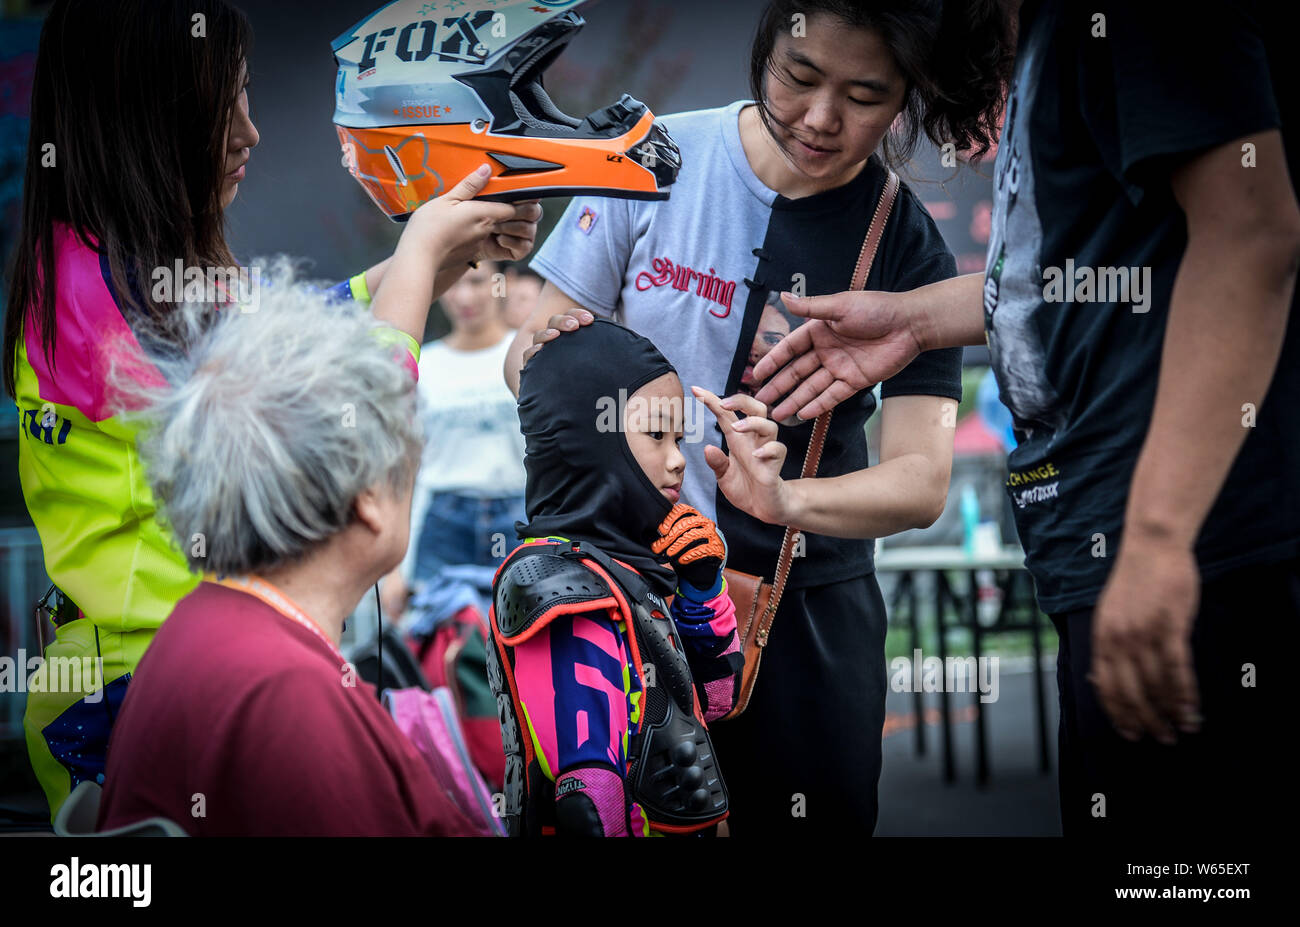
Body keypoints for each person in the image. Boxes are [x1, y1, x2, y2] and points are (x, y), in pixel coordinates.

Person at [754, 2, 1299, 836]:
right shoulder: (1053, 38)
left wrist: (1156, 540)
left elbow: (1251, 234)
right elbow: (1088, 273)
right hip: (1096, 538)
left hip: (1193, 549)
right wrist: (912, 320)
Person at [3, 0, 540, 820]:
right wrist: (424, 251)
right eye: (229, 99)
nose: (251, 132)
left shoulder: (108, 268)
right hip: (135, 702)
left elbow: (300, 328)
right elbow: (334, 417)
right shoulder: (101, 297)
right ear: (153, 109)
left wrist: (435, 254)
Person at [507, 0, 1013, 833]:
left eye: (865, 95)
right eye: (800, 77)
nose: (820, 119)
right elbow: (529, 358)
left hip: (805, 626)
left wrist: (786, 503)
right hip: (622, 607)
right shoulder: (652, 158)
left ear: (907, 101)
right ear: (764, 49)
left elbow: (921, 482)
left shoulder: (908, 245)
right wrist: (554, 360)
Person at [96, 182, 503, 835]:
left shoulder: (211, 625)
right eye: (407, 448)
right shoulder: (286, 693)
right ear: (366, 495)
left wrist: (429, 253)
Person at [488, 320, 743, 837]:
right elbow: (588, 796)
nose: (678, 462)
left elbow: (715, 699)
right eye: (655, 435)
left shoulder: (625, 563)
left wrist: (701, 591)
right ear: (588, 439)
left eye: (679, 437)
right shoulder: (560, 583)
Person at [379, 259, 527, 620]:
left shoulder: (526, 355)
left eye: (477, 282)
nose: (465, 296)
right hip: (441, 519)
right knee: (438, 646)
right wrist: (392, 570)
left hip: (520, 519)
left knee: (521, 647)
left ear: (502, 282)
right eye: (454, 284)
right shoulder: (423, 365)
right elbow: (403, 468)